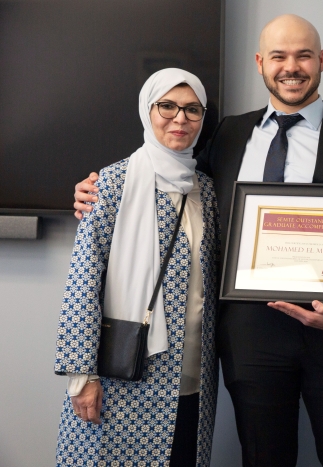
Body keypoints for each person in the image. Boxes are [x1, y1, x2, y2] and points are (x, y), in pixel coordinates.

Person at [73, 14, 323, 467]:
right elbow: (167, 162)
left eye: (304, 55)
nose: (292, 66)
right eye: (279, 56)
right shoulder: (226, 134)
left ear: (321, 61)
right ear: (261, 63)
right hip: (251, 339)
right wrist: (92, 187)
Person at [55, 68, 219, 467]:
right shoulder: (110, 184)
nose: (180, 119)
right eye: (167, 106)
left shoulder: (207, 190)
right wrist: (82, 377)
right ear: (148, 110)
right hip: (122, 379)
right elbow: (83, 284)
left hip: (194, 378)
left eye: (192, 109)